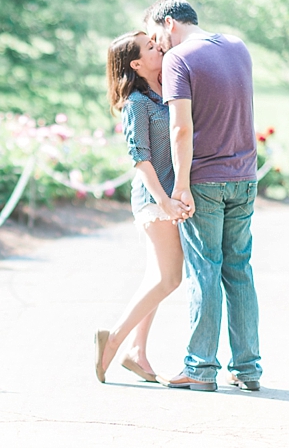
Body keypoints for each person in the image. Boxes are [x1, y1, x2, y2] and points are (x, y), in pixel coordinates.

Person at [144, 0, 262, 392]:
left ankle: (199, 368)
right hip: (245, 176)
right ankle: (247, 369)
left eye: (156, 35)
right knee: (239, 270)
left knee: (205, 270)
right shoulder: (237, 46)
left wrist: (179, 186)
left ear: (169, 23)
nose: (157, 46)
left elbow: (180, 128)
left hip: (205, 181)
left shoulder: (181, 59)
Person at [94, 31, 188, 384]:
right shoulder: (137, 102)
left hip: (168, 196)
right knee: (169, 278)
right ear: (136, 64)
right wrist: (163, 199)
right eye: (150, 47)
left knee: (156, 278)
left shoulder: (169, 89)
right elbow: (140, 158)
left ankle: (136, 352)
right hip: (154, 198)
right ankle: (113, 342)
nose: (158, 47)